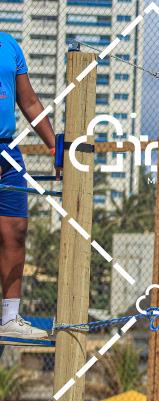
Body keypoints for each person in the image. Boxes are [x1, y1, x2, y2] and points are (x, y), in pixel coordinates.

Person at [0, 32, 58, 339]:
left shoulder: (9, 45)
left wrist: (54, 146)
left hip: (7, 149)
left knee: (16, 231)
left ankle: (10, 317)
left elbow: (30, 101)